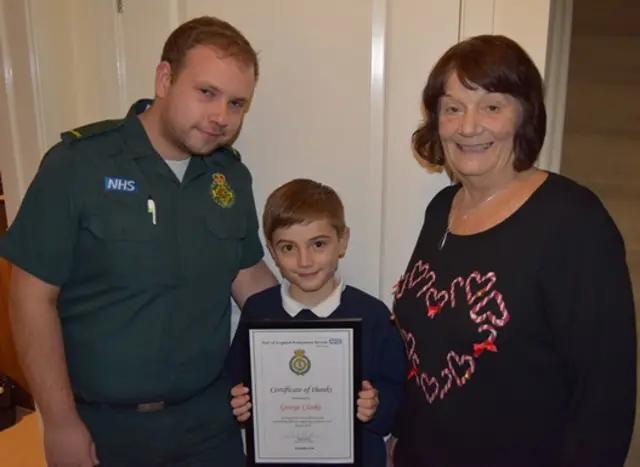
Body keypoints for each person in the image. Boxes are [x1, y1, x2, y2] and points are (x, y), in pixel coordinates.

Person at [0, 16, 277, 467]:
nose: (221, 117)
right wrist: (60, 421)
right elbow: (30, 297)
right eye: (206, 93)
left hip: (209, 423)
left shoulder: (229, 176)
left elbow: (250, 280)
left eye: (237, 103)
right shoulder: (78, 165)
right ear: (165, 78)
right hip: (103, 426)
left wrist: (334, 334)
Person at [388, 35, 637, 467]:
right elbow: (427, 345)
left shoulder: (572, 222)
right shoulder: (440, 209)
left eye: (491, 106)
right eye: (452, 108)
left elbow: (605, 396)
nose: (468, 126)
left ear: (524, 114)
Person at [225, 178, 406, 467]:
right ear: (272, 251)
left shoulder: (373, 315)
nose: (304, 260)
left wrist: (376, 405)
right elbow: (235, 379)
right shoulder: (258, 311)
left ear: (342, 241)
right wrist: (238, 402)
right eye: (288, 248)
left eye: (318, 244)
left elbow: (399, 396)